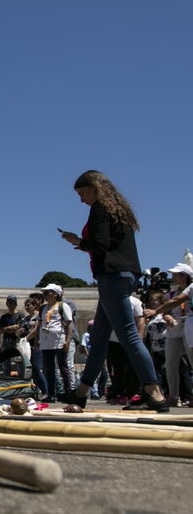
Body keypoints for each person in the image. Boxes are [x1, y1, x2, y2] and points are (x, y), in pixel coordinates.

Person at [58, 170, 168, 411]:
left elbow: (99, 244)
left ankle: (154, 392)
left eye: (83, 193)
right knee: (99, 339)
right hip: (126, 273)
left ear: (94, 189)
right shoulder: (120, 210)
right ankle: (81, 391)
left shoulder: (99, 208)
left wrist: (77, 240)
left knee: (128, 335)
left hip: (112, 275)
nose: (82, 199)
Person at [143, 263, 193, 407]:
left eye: (176, 274)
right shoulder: (170, 294)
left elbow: (176, 302)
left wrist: (155, 311)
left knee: (191, 362)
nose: (172, 277)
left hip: (187, 327)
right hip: (174, 330)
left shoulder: (189, 290)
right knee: (170, 364)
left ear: (184, 276)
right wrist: (167, 317)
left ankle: (188, 395)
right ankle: (173, 395)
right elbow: (167, 310)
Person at [27, 283, 73, 402]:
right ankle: (51, 393)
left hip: (59, 341)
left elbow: (69, 324)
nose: (46, 295)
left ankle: (68, 393)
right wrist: (37, 341)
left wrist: (67, 341)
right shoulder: (43, 308)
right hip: (46, 342)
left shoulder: (63, 306)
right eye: (45, 293)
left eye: (48, 293)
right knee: (48, 368)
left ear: (56, 294)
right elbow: (39, 325)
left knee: (63, 368)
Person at [18, 297, 49, 397]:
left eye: (29, 305)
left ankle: (45, 391)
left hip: (36, 345)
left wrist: (27, 337)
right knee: (29, 369)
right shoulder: (26, 319)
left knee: (37, 368)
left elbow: (36, 329)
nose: (27, 307)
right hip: (25, 346)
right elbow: (20, 329)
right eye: (25, 306)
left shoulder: (38, 316)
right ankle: (34, 391)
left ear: (34, 305)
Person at [0, 296, 25, 376]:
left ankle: (21, 378)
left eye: (12, 302)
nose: (10, 304)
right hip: (6, 340)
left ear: (16, 304)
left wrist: (6, 328)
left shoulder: (20, 314)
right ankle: (6, 379)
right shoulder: (4, 317)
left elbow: (20, 327)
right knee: (5, 362)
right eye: (9, 302)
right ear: (6, 304)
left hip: (17, 341)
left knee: (18, 361)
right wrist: (12, 328)